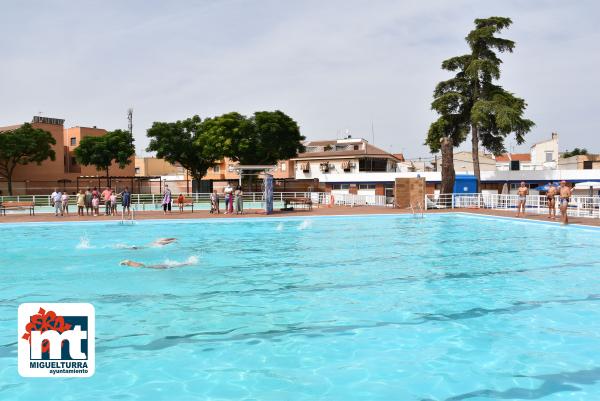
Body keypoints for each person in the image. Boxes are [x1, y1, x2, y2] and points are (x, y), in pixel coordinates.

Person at [119, 258, 194, 270]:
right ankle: (128, 262)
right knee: (145, 267)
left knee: (145, 267)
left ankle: (128, 262)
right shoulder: (168, 267)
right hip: (161, 266)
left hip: (161, 266)